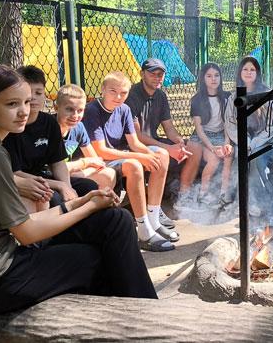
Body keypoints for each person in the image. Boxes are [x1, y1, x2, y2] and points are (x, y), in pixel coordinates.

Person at [0, 65, 156, 314]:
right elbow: (27, 232)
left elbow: (25, 223)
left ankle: (143, 313)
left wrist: (79, 202)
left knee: (115, 219)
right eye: (12, 104)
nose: (23, 111)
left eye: (26, 101)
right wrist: (89, 206)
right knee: (95, 258)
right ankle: (142, 319)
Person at [82, 71, 178, 252]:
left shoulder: (124, 109)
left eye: (123, 93)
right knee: (134, 165)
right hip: (100, 161)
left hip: (121, 155)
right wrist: (141, 157)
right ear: (102, 90)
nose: (118, 97)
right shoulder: (92, 110)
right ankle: (143, 231)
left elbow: (134, 143)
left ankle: (154, 220)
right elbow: (100, 151)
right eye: (113, 91)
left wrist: (151, 154)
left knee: (162, 155)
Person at [3, 65, 96, 214]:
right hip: (23, 182)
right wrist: (60, 186)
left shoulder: (49, 122)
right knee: (55, 198)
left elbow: (57, 162)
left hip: (44, 177)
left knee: (89, 187)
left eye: (38, 92)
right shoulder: (11, 125)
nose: (33, 98)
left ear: (45, 95)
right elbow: (14, 172)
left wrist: (67, 186)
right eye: (28, 93)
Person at [224, 56, 273, 221]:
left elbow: (272, 125)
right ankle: (245, 201)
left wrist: (255, 142)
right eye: (245, 69)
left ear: (257, 72)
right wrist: (244, 141)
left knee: (257, 158)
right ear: (240, 72)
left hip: (267, 141)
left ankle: (260, 201)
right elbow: (229, 123)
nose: (249, 72)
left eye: (252, 69)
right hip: (243, 140)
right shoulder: (234, 96)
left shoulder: (268, 93)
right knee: (240, 157)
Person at [177, 62, 234, 209]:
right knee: (211, 158)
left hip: (220, 135)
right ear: (203, 78)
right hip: (201, 136)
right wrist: (213, 148)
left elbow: (229, 123)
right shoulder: (197, 99)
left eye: (216, 75)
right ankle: (199, 194)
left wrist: (226, 143)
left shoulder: (228, 97)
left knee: (227, 156)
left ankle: (223, 193)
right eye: (209, 76)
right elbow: (199, 129)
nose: (213, 79)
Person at [124, 58, 190, 173]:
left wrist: (180, 142)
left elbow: (169, 128)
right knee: (166, 152)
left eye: (160, 74)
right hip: (133, 145)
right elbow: (137, 136)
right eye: (152, 74)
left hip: (154, 141)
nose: (157, 78)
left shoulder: (161, 95)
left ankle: (175, 189)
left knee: (190, 148)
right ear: (142, 74)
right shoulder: (131, 95)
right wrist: (168, 148)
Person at [54, 84, 117, 190]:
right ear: (56, 108)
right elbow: (52, 169)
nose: (75, 115)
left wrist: (77, 173)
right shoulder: (48, 128)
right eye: (69, 109)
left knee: (108, 174)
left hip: (71, 175)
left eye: (80, 110)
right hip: (50, 180)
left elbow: (97, 162)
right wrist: (85, 163)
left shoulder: (78, 127)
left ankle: (100, 205)